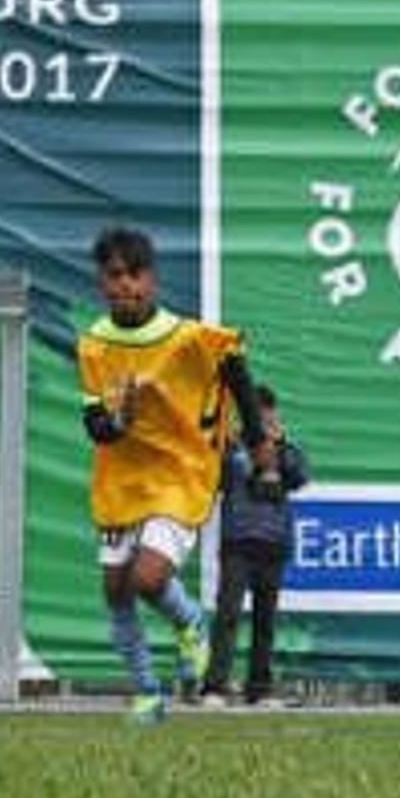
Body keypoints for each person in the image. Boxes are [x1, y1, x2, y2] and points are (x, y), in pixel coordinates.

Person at [78, 223, 267, 724]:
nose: (126, 285)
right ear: (102, 281)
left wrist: (258, 441)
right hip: (121, 476)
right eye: (115, 275)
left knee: (147, 576)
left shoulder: (186, 337)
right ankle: (147, 694)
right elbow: (96, 425)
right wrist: (118, 420)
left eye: (135, 274)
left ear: (151, 280)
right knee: (115, 588)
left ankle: (189, 622)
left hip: (178, 473)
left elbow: (236, 366)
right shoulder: (94, 345)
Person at [197, 385, 307, 706]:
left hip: (273, 543)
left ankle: (259, 689)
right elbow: (216, 479)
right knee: (227, 616)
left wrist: (280, 444)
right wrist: (232, 445)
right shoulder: (232, 447)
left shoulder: (284, 447)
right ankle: (214, 687)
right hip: (238, 541)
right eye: (258, 413)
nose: (264, 418)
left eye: (269, 412)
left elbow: (300, 476)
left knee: (265, 621)